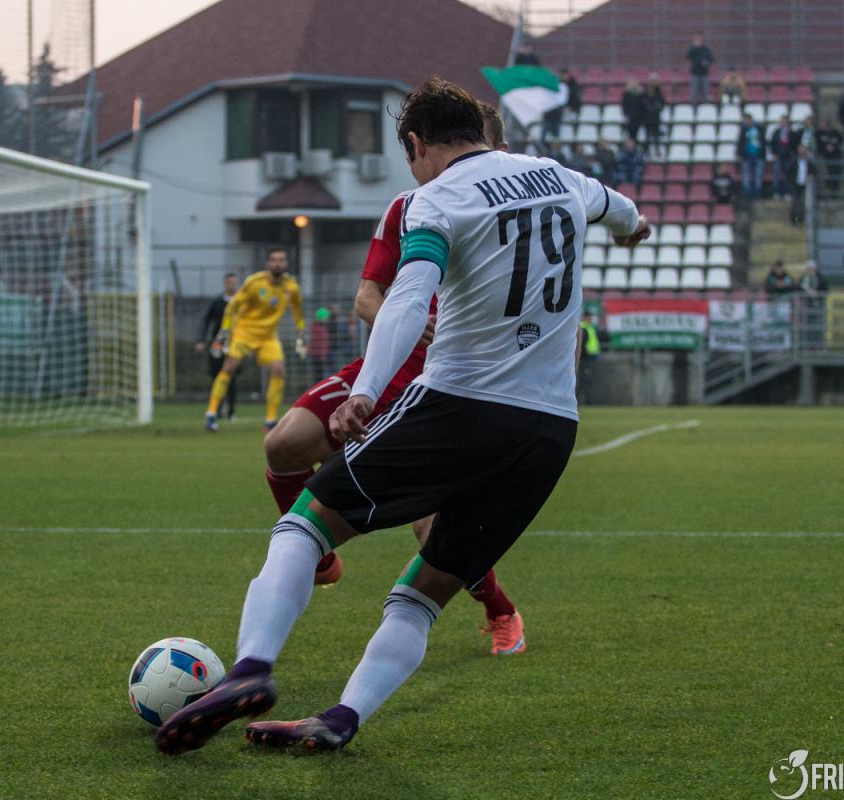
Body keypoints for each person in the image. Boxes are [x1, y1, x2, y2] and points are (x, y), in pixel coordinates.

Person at [154, 75, 647, 756]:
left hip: (460, 405)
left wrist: (366, 391)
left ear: (417, 143)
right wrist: (633, 229)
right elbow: (623, 211)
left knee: (304, 524)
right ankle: (341, 718)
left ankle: (251, 669)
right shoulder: (560, 177)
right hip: (549, 430)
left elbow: (410, 298)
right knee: (422, 595)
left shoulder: (438, 198)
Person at [262, 102, 530, 652]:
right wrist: (402, 323)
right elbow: (367, 296)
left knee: (434, 531)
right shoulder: (407, 208)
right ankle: (318, 558)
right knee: (283, 444)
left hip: (446, 390)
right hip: (383, 372)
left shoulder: (514, 216)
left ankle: (500, 609)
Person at [204, 248, 305, 432]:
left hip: (268, 336)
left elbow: (298, 310)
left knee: (278, 369)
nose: (278, 263)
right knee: (229, 367)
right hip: (245, 331)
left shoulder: (291, 287)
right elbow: (233, 306)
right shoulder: (254, 282)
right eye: (274, 260)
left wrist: (301, 333)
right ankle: (211, 413)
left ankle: (271, 420)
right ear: (268, 263)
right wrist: (225, 330)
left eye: (281, 260)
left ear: (286, 263)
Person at [196, 272, 241, 420]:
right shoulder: (217, 303)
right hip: (218, 344)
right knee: (217, 376)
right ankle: (217, 409)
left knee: (232, 377)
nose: (231, 285)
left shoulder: (242, 302)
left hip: (236, 344)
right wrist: (201, 340)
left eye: (233, 283)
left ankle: (232, 410)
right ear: (224, 284)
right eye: (229, 283)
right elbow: (206, 321)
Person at [768, 115, 798, 200]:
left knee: (788, 175)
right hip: (778, 157)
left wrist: (792, 154)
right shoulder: (776, 132)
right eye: (782, 121)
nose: (784, 123)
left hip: (788, 157)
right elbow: (772, 143)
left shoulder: (792, 133)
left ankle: (787, 192)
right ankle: (776, 192)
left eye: (785, 121)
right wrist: (774, 154)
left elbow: (795, 145)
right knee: (776, 175)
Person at [737, 113, 766, 198]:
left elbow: (763, 141)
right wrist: (739, 153)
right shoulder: (744, 130)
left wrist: (763, 153)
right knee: (746, 174)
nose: (747, 122)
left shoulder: (759, 129)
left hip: (758, 155)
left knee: (758, 174)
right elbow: (741, 142)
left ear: (751, 119)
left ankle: (758, 191)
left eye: (748, 120)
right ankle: (747, 192)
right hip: (747, 155)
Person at [577, 309, 600, 405]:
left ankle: (585, 401)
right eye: (590, 317)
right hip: (584, 359)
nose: (591, 319)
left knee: (587, 381)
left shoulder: (589, 327)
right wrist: (585, 355)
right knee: (583, 381)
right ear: (585, 317)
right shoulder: (584, 327)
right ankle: (582, 401)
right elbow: (581, 345)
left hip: (590, 358)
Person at [816, 119, 844, 193]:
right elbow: (819, 144)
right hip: (826, 156)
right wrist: (825, 149)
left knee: (836, 171)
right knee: (829, 171)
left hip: (836, 155)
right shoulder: (820, 134)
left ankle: (835, 188)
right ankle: (828, 187)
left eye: (824, 126)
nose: (822, 127)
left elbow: (840, 141)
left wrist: (833, 147)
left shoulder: (836, 133)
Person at [789, 145, 816, 225]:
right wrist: (791, 182)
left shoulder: (809, 163)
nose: (802, 153)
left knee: (802, 204)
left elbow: (814, 172)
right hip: (795, 185)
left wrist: (811, 176)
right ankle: (794, 221)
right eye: (801, 151)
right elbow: (788, 172)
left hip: (805, 186)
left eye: (804, 151)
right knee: (795, 204)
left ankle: (800, 221)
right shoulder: (794, 161)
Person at [307, 307, 334, 381]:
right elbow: (321, 343)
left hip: (321, 355)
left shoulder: (319, 327)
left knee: (320, 375)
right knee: (319, 375)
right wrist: (323, 355)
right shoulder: (319, 329)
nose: (328, 320)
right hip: (319, 356)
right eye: (327, 318)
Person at [686, 34, 714, 105]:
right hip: (694, 73)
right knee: (694, 93)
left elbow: (711, 59)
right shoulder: (692, 49)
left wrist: (706, 62)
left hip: (704, 74)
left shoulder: (706, 50)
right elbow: (688, 57)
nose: (698, 42)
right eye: (696, 40)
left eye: (699, 40)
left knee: (705, 92)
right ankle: (694, 107)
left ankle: (705, 107)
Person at [643, 74, 666, 156]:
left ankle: (657, 150)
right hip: (648, 117)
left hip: (656, 116)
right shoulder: (646, 91)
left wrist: (658, 107)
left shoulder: (659, 91)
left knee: (656, 135)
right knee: (648, 135)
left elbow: (662, 102)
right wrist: (649, 107)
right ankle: (647, 150)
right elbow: (643, 103)